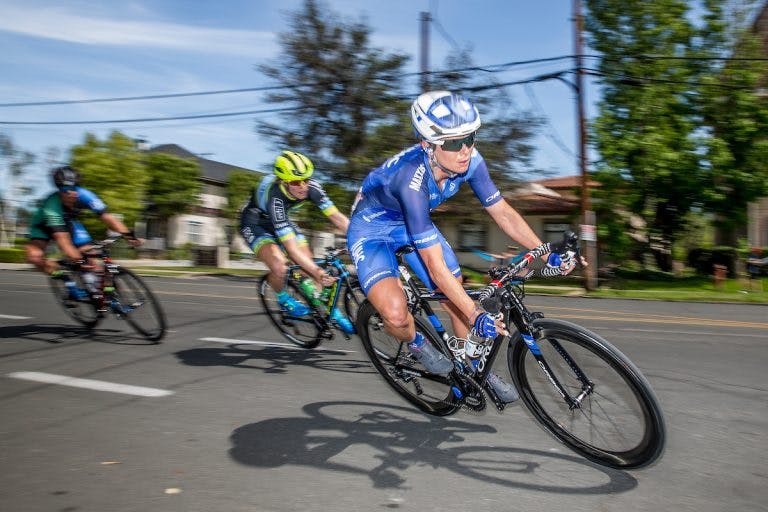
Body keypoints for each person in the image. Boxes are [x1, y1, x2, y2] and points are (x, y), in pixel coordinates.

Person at [346, 90, 583, 402]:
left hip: (410, 224)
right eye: (454, 143)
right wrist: (476, 317)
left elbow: (503, 213)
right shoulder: (410, 178)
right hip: (372, 230)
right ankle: (417, 344)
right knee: (395, 315)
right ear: (427, 145)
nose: (466, 150)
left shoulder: (472, 162)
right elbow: (434, 266)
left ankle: (472, 367)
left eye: (470, 137)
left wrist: (546, 252)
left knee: (454, 294)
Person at [239, 150, 354, 334]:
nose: (302, 187)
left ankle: (324, 304)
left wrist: (361, 238)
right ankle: (284, 298)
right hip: (256, 223)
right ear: (283, 181)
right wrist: (317, 273)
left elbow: (337, 218)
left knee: (307, 259)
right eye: (295, 182)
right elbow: (292, 250)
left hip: (282, 219)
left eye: (306, 180)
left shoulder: (313, 188)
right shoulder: (276, 198)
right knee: (280, 266)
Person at [26, 165, 142, 300]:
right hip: (43, 227)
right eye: (65, 190)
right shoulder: (52, 206)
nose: (71, 193)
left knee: (88, 255)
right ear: (59, 190)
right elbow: (63, 241)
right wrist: (79, 260)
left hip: (68, 222)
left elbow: (108, 217)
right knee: (34, 257)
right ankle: (64, 278)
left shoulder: (85, 195)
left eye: (74, 187)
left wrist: (127, 234)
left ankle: (99, 290)